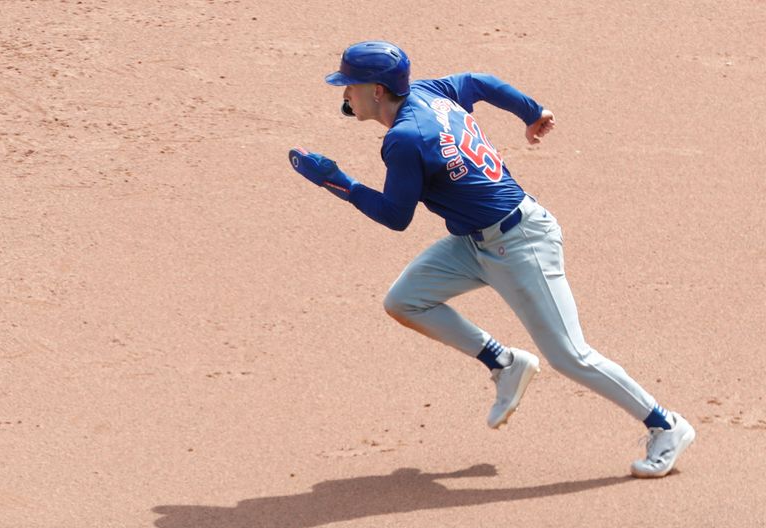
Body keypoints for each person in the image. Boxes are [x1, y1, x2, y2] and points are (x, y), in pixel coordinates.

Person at [288, 40, 695, 478]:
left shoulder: (405, 139)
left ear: (377, 91)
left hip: (521, 245)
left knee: (570, 356)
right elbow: (479, 82)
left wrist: (336, 181)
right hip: (473, 242)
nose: (344, 94)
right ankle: (503, 362)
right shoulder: (429, 92)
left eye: (350, 85)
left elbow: (395, 216)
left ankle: (665, 424)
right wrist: (531, 110)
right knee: (404, 300)